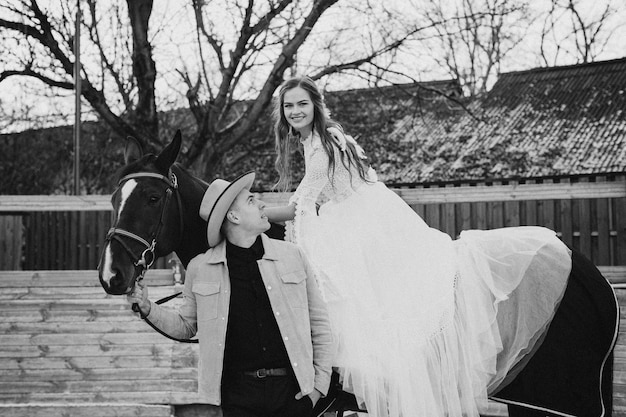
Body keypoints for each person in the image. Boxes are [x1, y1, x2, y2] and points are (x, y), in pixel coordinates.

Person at [264, 76, 574, 417]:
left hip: (360, 224)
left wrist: (256, 212)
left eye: (302, 103)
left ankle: (376, 377)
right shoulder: (323, 137)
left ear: (316, 106)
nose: (295, 111)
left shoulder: (321, 144)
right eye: (288, 105)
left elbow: (302, 203)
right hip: (360, 214)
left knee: (366, 303)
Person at [127, 171, 334, 417]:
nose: (261, 204)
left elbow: (320, 323)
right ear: (233, 216)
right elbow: (185, 326)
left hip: (293, 393)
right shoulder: (200, 268)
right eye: (250, 201)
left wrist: (319, 387)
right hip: (238, 398)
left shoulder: (293, 255)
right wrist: (147, 307)